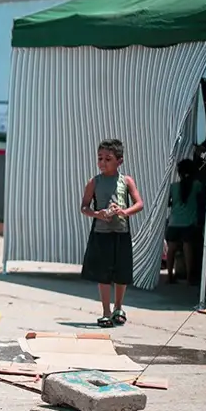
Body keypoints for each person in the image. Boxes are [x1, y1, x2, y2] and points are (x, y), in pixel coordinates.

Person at [80, 139, 143, 328]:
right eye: (100, 158)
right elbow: (84, 207)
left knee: (121, 272)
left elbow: (139, 204)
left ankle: (119, 307)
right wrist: (97, 214)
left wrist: (124, 212)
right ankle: (106, 311)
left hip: (121, 232)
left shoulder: (126, 181)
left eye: (108, 159)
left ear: (119, 161)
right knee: (103, 274)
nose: (102, 163)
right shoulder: (94, 182)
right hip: (101, 233)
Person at [165, 159, 204, 285]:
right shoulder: (197, 185)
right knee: (188, 248)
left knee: (171, 249)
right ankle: (188, 278)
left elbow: (168, 203)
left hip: (174, 222)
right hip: (189, 223)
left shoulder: (173, 187)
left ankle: (170, 276)